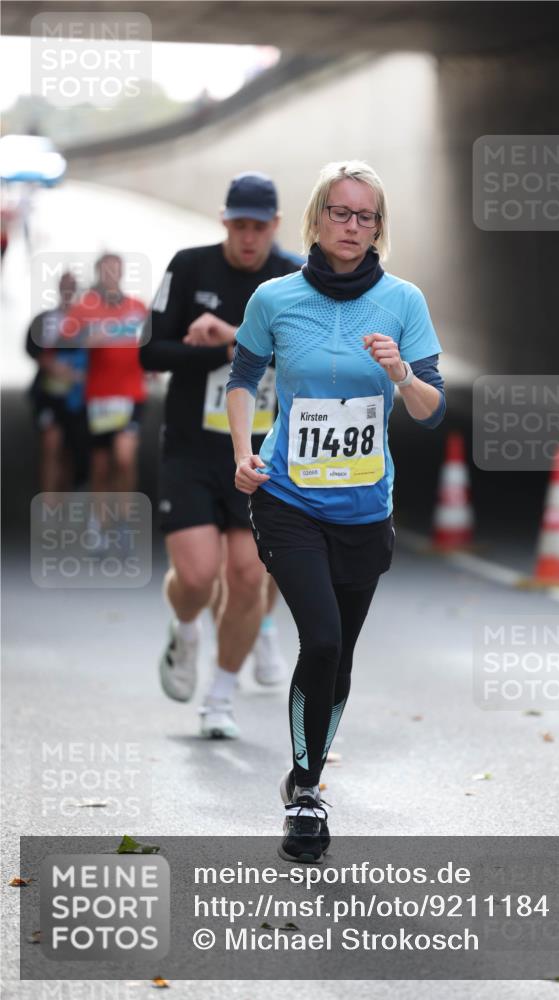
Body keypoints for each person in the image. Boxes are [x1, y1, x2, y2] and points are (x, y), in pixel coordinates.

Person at [227, 160, 446, 863]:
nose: (352, 226)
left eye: (366, 216)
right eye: (340, 212)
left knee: (340, 654)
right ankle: (306, 792)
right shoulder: (274, 298)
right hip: (288, 498)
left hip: (364, 506)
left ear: (379, 227)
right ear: (317, 217)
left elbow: (430, 408)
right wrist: (243, 452)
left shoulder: (403, 302)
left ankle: (306, 770)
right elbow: (242, 378)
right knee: (320, 639)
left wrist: (400, 373)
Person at [140, 173, 300, 740]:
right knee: (198, 576)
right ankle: (185, 631)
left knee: (249, 577)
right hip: (192, 448)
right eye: (239, 226)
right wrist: (206, 351)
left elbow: (307, 354)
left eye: (259, 227)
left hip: (262, 455)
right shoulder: (190, 267)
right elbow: (150, 352)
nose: (248, 237)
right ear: (224, 222)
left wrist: (229, 337)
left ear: (275, 225)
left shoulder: (294, 278)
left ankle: (220, 697)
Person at [62, 253, 148, 532]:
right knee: (100, 464)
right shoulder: (85, 307)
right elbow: (62, 340)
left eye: (116, 269)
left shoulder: (137, 307)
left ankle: (123, 519)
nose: (111, 275)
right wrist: (86, 339)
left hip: (131, 393)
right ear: (98, 273)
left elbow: (153, 340)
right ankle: (99, 521)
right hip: (99, 396)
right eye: (106, 270)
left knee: (124, 457)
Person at [26, 271, 89, 491]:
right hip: (50, 395)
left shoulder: (88, 321)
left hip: (79, 397)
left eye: (73, 285)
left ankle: (66, 500)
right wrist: (52, 366)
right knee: (51, 444)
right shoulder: (45, 319)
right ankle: (49, 502)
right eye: (65, 285)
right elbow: (32, 350)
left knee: (72, 452)